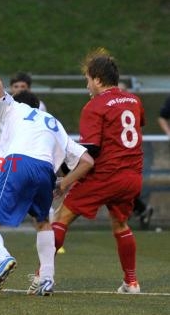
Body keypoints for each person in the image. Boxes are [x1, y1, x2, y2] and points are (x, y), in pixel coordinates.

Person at [0, 52, 94, 296]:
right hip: (45, 171)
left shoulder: (13, 108)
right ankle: (47, 279)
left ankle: (3, 259)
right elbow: (87, 161)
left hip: (18, 164)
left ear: (17, 101)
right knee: (43, 222)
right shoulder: (53, 121)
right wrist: (64, 184)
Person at [53, 48, 145, 294]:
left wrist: (66, 177)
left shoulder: (94, 106)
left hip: (105, 176)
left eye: (87, 79)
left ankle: (43, 276)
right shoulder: (134, 100)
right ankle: (131, 282)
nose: (87, 85)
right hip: (132, 177)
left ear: (97, 79)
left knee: (62, 218)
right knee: (121, 224)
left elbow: (91, 150)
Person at [0, 72, 51, 254]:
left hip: (26, 158)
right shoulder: (5, 103)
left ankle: (46, 235)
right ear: (11, 88)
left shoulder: (39, 106)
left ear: (28, 89)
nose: (19, 90)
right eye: (16, 87)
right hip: (3, 159)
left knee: (38, 204)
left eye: (23, 87)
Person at [117, 82, 153, 229]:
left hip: (128, 155)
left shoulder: (132, 105)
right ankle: (139, 209)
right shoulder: (126, 106)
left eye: (122, 91)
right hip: (121, 154)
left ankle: (135, 210)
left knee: (123, 186)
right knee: (122, 187)